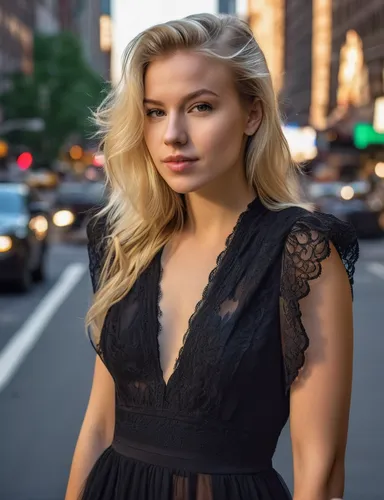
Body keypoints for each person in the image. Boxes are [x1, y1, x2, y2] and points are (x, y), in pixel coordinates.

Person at [65, 13, 359, 500]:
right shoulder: (126, 243)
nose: (172, 135)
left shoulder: (302, 254)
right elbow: (99, 425)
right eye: (155, 111)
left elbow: (321, 471)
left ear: (252, 114)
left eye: (200, 107)